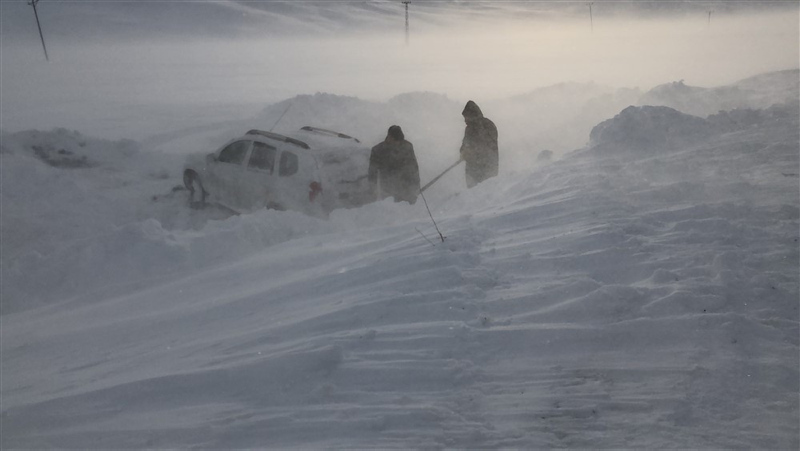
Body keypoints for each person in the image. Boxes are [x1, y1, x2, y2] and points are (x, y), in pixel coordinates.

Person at [368, 125, 420, 204]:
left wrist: (416, 186)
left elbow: (413, 167)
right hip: (388, 189)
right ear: (389, 137)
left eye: (399, 141)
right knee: (391, 209)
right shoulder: (378, 150)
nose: (397, 143)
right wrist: (372, 190)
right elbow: (372, 173)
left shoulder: (407, 146)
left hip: (406, 187)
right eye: (395, 140)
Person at [459, 100, 498, 188]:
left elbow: (487, 145)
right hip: (474, 169)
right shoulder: (470, 128)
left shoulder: (486, 125)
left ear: (472, 115)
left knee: (485, 191)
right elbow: (465, 144)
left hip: (485, 167)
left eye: (466, 117)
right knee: (474, 193)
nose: (465, 120)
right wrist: (463, 153)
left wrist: (472, 152)